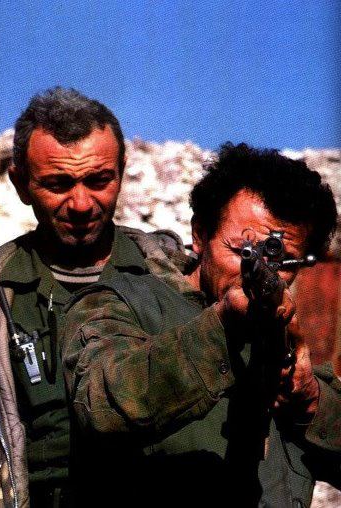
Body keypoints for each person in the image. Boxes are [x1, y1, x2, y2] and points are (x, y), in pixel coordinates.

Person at [0, 87, 189, 507]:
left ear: (122, 172)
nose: (81, 204)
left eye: (99, 181)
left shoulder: (176, 276)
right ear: (21, 184)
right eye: (58, 184)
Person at [62, 143, 340, 506]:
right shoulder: (120, 303)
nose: (264, 270)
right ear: (199, 235)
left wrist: (310, 401)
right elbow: (103, 406)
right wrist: (222, 326)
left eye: (285, 262)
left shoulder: (286, 339)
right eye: (241, 251)